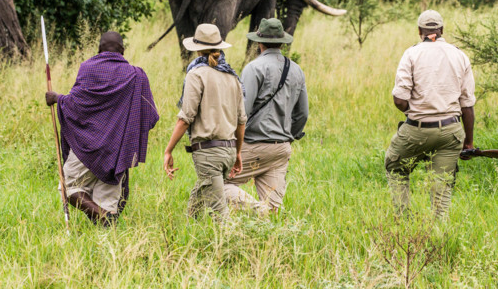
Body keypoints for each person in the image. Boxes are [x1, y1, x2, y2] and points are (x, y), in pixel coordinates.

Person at [45, 31, 159, 226]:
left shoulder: (87, 68)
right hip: (117, 150)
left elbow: (75, 104)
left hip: (87, 147)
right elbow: (151, 116)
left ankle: (103, 221)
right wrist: (125, 134)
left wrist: (57, 98)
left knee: (69, 187)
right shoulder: (136, 75)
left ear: (98, 50)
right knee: (106, 202)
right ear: (122, 51)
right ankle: (105, 226)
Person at [385, 10, 475, 220]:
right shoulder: (459, 55)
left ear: (419, 31)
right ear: (441, 30)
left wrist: (415, 113)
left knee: (395, 166)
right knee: (442, 185)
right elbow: (467, 105)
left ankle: (403, 219)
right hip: (451, 132)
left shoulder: (411, 54)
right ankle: (439, 228)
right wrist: (468, 143)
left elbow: (399, 100)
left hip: (416, 130)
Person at [224, 18, 308, 214]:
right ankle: (264, 229)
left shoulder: (253, 68)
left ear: (259, 42)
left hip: (253, 144)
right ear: (282, 42)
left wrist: (232, 142)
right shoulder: (296, 70)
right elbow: (302, 113)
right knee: (272, 211)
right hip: (281, 149)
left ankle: (256, 210)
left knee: (217, 184)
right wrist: (289, 136)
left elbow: (242, 111)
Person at [163, 24, 246, 220]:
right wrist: (238, 152)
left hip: (208, 153)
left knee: (219, 214)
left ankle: (239, 240)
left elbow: (186, 118)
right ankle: (188, 234)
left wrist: (168, 150)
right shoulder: (232, 77)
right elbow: (241, 121)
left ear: (197, 48)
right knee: (197, 205)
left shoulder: (196, 74)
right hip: (228, 151)